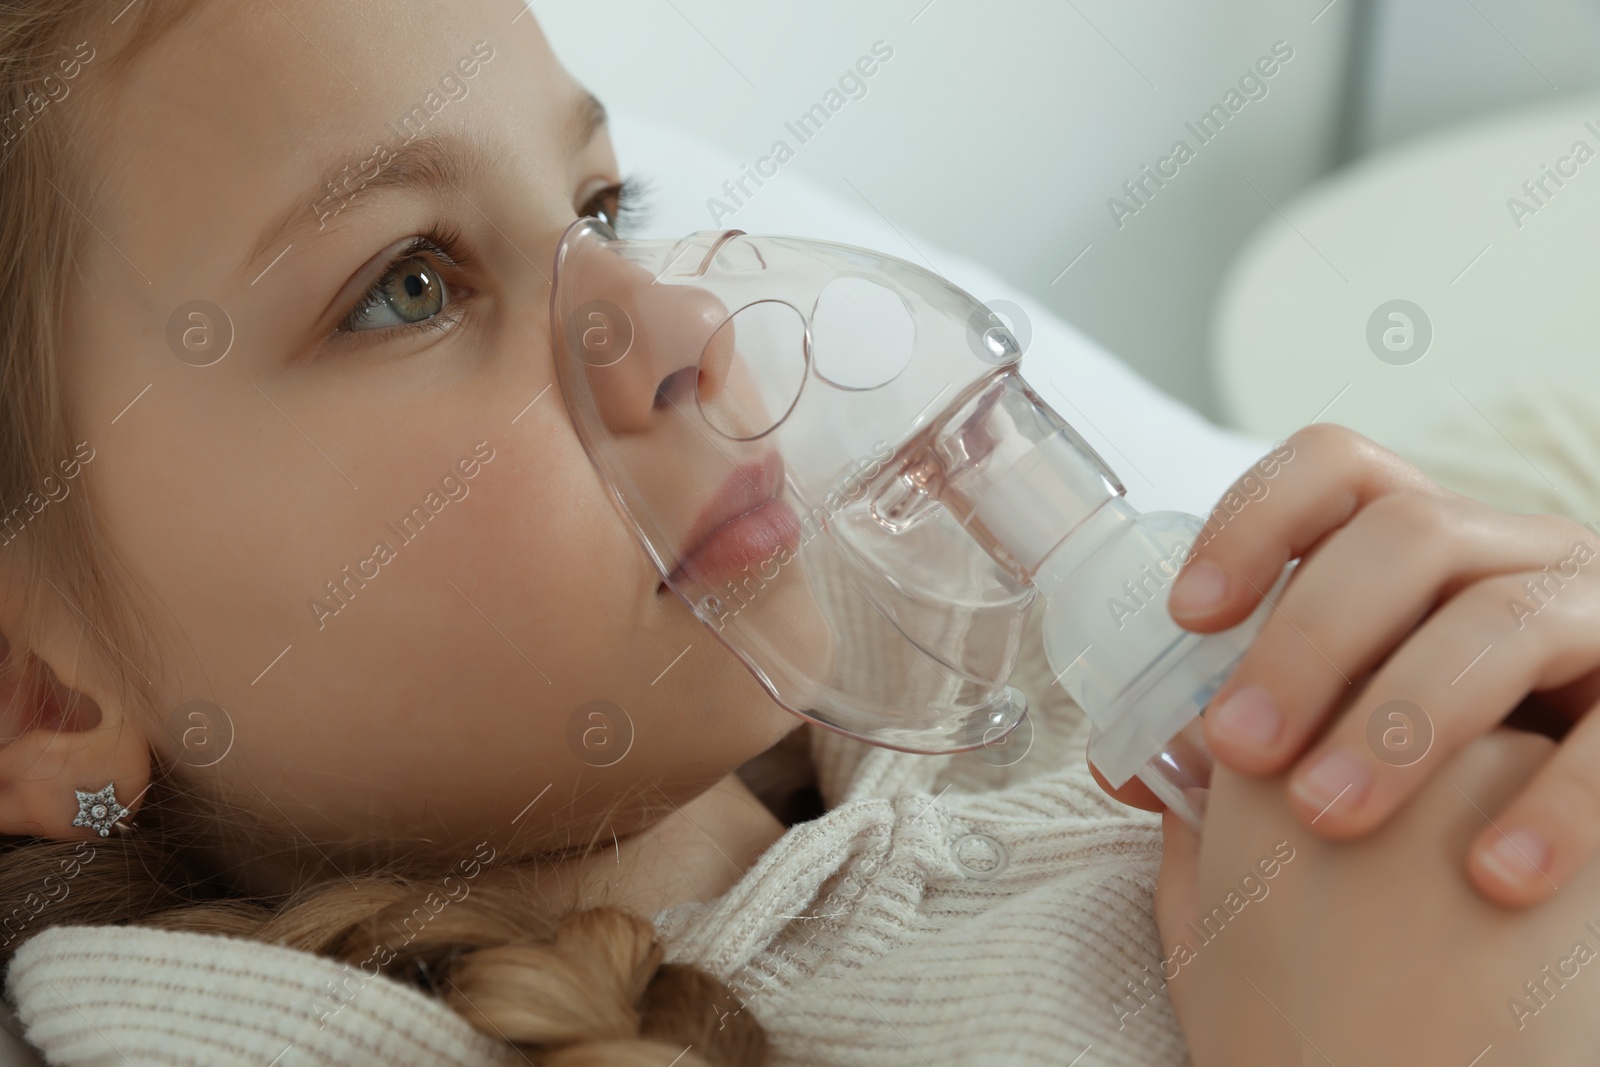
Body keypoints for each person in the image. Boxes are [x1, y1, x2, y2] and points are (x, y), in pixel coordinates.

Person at [0, 2, 1595, 1064]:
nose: (684, 320)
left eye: (604, 210)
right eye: (408, 284)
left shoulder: (1011, 683)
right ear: (40, 693)